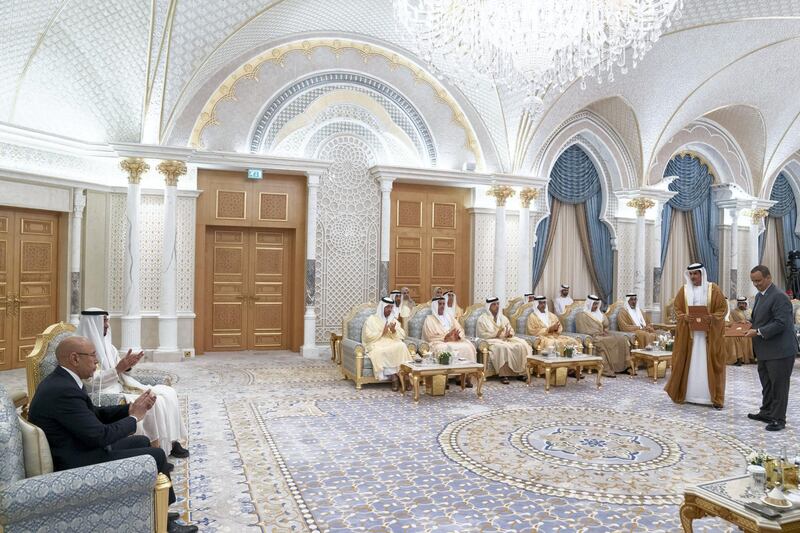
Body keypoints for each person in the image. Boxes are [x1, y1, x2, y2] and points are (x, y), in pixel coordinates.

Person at [27, 336, 198, 533]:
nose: (96, 361)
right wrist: (134, 418)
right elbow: (101, 436)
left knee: (142, 440)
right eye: (92, 356)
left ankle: (158, 509)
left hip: (78, 446)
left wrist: (129, 409)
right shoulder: (63, 390)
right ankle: (164, 525)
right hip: (75, 461)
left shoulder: (65, 380)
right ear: (74, 358)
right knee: (156, 455)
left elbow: (95, 414)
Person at [77, 309, 188, 458]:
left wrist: (127, 365)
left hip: (121, 385)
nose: (107, 325)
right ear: (93, 323)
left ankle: (172, 442)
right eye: (104, 321)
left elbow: (121, 370)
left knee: (168, 392)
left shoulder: (108, 347)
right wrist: (118, 369)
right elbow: (90, 382)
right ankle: (155, 448)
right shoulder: (81, 351)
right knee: (153, 401)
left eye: (107, 321)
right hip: (105, 393)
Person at [664, 263, 727, 409]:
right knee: (689, 362)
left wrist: (711, 318)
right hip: (690, 337)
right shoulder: (684, 290)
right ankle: (687, 394)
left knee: (707, 363)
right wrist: (684, 317)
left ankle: (710, 397)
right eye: (691, 274)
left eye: (696, 274)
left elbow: (722, 309)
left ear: (702, 274)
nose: (693, 277)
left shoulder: (713, 289)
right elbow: (678, 309)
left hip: (708, 337)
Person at [745, 265, 796, 431]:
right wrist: (747, 325)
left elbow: (781, 323)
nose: (756, 284)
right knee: (767, 384)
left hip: (780, 351)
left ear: (769, 278)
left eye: (759, 280)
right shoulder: (760, 296)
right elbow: (760, 319)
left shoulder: (780, 296)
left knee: (779, 386)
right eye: (753, 281)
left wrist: (758, 331)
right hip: (765, 349)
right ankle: (766, 412)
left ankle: (778, 419)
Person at [422, 297, 477, 386]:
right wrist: (445, 338)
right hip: (438, 342)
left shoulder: (450, 318)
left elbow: (460, 330)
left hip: (454, 341)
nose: (442, 306)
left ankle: (464, 376)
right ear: (435, 305)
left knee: (468, 347)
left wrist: (457, 336)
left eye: (444, 304)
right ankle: (444, 378)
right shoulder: (429, 319)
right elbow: (429, 336)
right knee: (443, 349)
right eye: (440, 304)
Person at [476, 297, 531, 384]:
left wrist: (509, 334)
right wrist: (496, 334)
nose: (497, 306)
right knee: (502, 347)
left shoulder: (503, 318)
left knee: (521, 345)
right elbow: (481, 334)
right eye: (494, 304)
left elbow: (511, 330)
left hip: (506, 339)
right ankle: (503, 375)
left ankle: (520, 373)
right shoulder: (482, 319)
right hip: (491, 341)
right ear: (489, 306)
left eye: (498, 304)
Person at [362, 297, 412, 391]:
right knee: (380, 351)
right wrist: (382, 332)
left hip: (390, 341)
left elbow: (402, 334)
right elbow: (367, 336)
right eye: (387, 307)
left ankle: (405, 375)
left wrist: (393, 331)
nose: (389, 309)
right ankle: (394, 377)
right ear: (382, 308)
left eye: (391, 307)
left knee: (401, 345)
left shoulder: (393, 319)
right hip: (376, 342)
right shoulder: (371, 319)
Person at [575, 295, 630, 377]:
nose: (596, 306)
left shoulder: (600, 314)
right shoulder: (581, 315)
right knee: (604, 342)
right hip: (593, 336)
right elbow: (581, 329)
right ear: (589, 304)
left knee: (622, 339)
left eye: (597, 304)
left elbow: (606, 325)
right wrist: (597, 333)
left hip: (603, 334)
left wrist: (605, 331)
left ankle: (623, 367)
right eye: (594, 304)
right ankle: (606, 369)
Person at [725, 297, 754, 366]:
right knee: (735, 337)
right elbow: (732, 323)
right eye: (740, 303)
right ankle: (737, 358)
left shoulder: (750, 311)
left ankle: (747, 358)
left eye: (743, 303)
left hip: (746, 328)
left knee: (749, 336)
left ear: (746, 304)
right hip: (733, 329)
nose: (741, 305)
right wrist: (739, 322)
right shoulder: (734, 312)